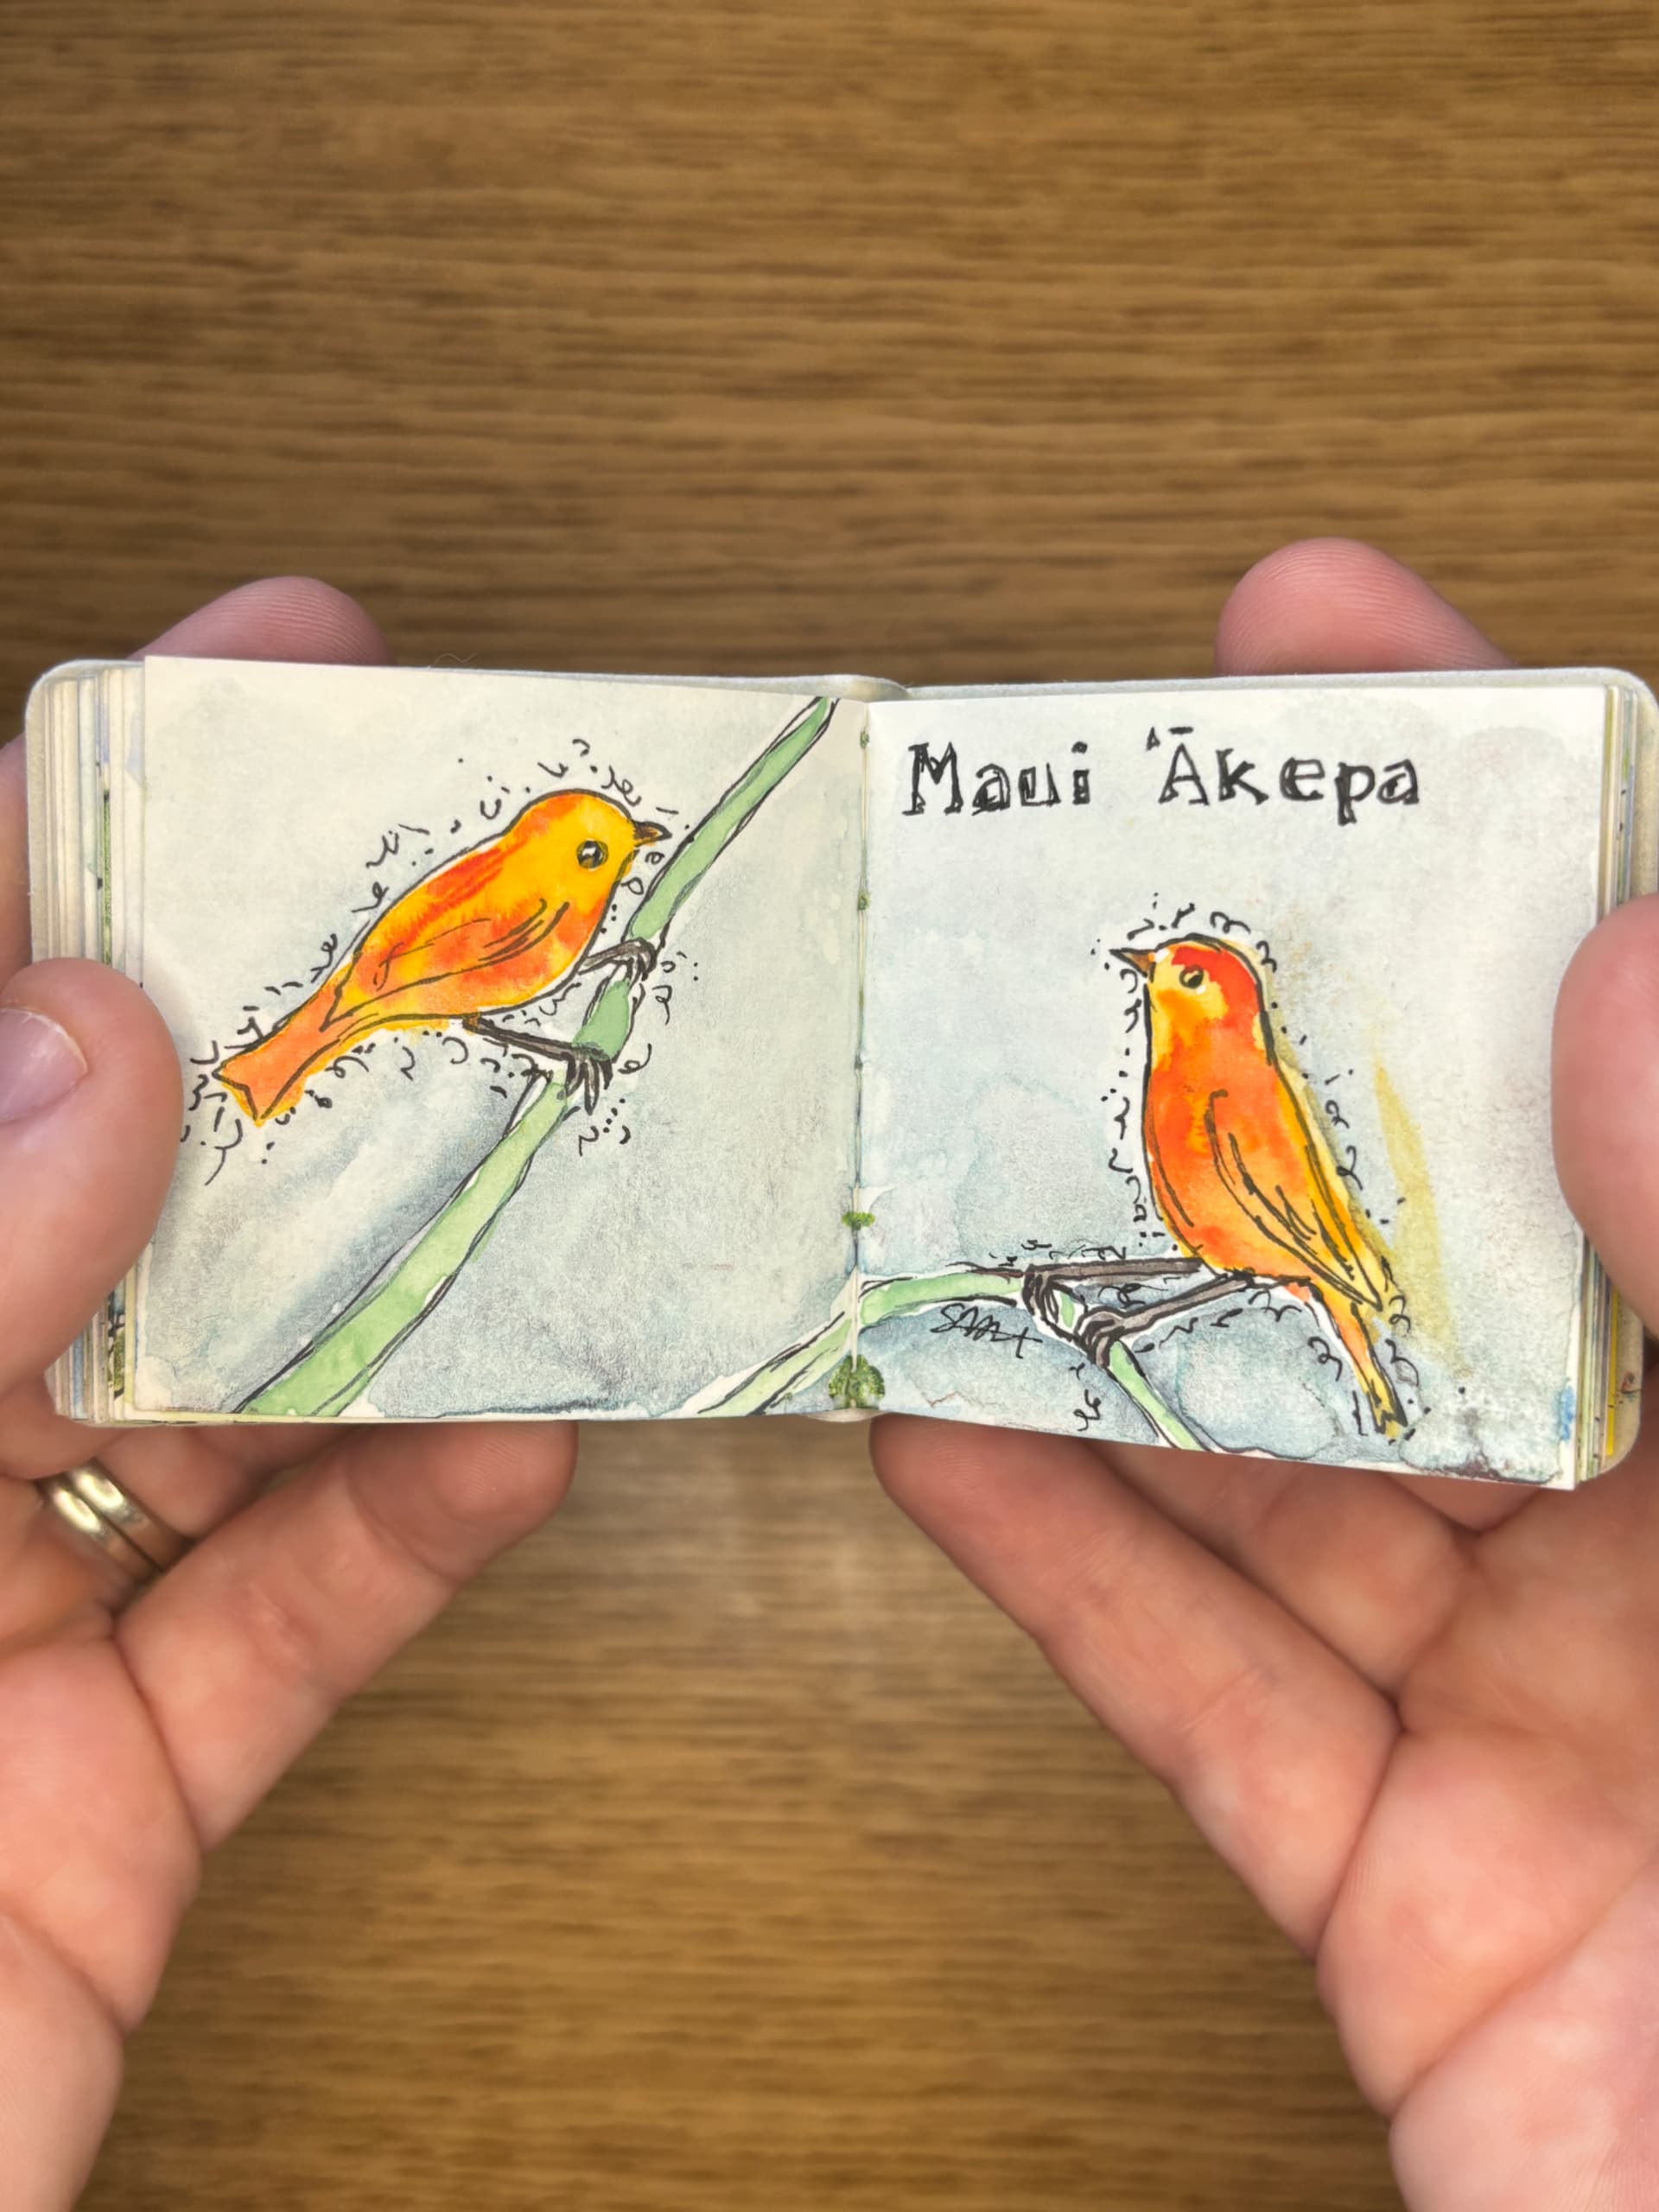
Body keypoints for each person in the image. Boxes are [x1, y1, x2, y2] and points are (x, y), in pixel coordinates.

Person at [2, 540, 1653, 2209]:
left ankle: (1238, 1337)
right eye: (598, 855)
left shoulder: (1226, 1086)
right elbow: (441, 970)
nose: (1162, 985)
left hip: (1284, 1291)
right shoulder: (538, 896)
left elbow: (1268, 1218)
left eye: (1186, 979)